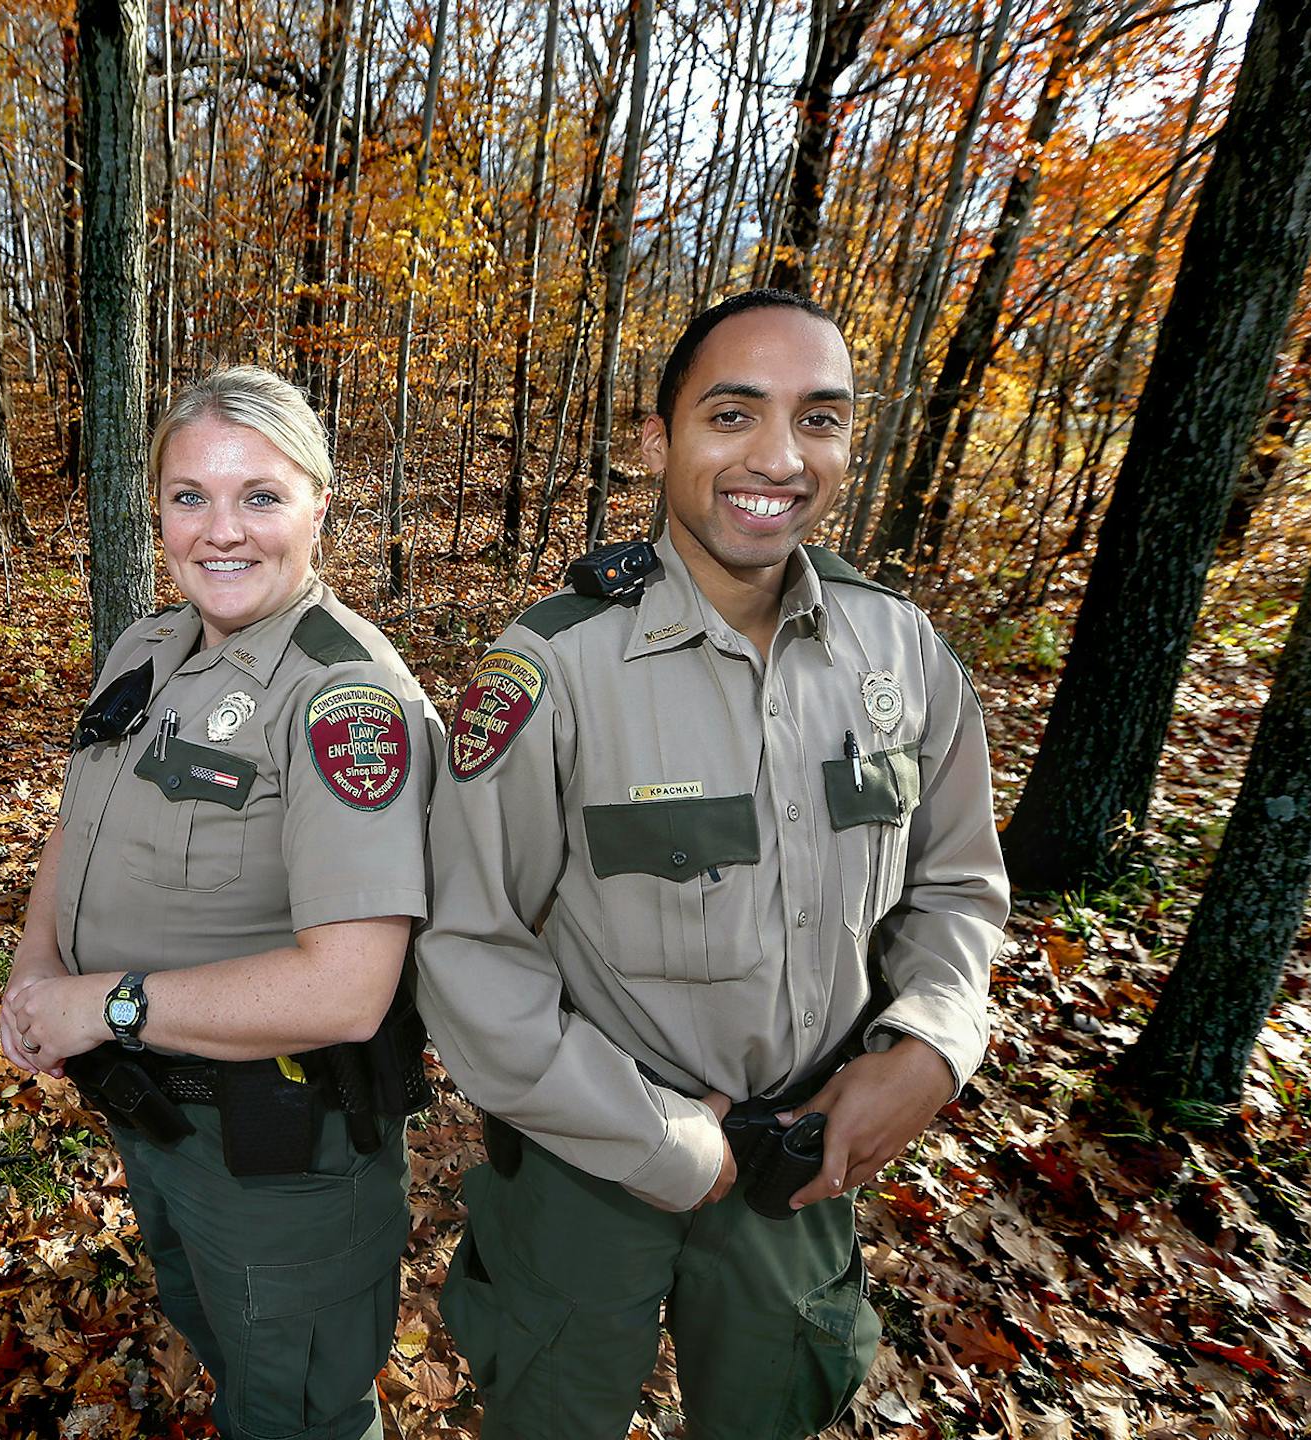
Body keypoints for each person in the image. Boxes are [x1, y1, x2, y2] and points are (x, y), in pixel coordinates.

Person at [416, 289, 1009, 1440]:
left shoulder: (900, 649)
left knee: (773, 1409)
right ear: (659, 441)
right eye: (733, 414)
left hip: (803, 1166)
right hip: (594, 1166)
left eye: (820, 419)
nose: (780, 457)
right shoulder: (556, 667)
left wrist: (932, 1045)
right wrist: (651, 1138)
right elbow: (469, 948)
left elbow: (957, 884)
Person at [0, 365, 440, 1440]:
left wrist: (98, 1003)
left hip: (278, 1156)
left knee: (297, 1410)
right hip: (151, 1118)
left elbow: (345, 990)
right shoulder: (147, 647)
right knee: (220, 1341)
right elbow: (80, 820)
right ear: (156, 509)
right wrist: (33, 965)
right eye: (190, 495)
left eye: (261, 495)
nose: (221, 530)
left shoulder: (345, 699)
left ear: (319, 506)